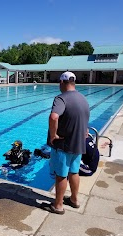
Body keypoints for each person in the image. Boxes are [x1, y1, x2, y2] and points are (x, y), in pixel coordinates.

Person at [43, 71, 90, 215]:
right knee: (74, 172)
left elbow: (54, 116)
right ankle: (74, 200)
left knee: (61, 175)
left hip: (64, 144)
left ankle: (58, 205)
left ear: (62, 83)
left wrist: (53, 135)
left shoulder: (61, 98)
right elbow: (84, 119)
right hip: (78, 143)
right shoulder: (83, 98)